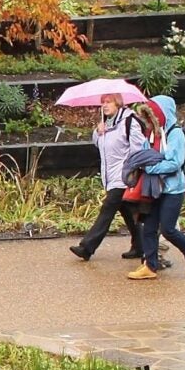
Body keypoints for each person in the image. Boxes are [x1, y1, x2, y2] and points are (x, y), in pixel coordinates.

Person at [129, 93, 185, 280]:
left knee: (168, 229)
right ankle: (150, 266)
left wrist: (151, 167)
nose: (150, 119)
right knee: (149, 228)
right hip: (155, 189)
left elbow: (175, 162)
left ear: (162, 114)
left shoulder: (175, 134)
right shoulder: (152, 133)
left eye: (152, 115)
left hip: (173, 190)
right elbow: (146, 154)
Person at [70, 93, 148, 262]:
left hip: (123, 177)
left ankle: (87, 247)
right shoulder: (106, 124)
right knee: (128, 211)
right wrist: (98, 132)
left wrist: (131, 169)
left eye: (108, 102)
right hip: (111, 176)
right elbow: (100, 145)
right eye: (102, 102)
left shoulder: (129, 121)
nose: (104, 106)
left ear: (118, 103)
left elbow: (138, 148)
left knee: (108, 208)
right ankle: (140, 246)